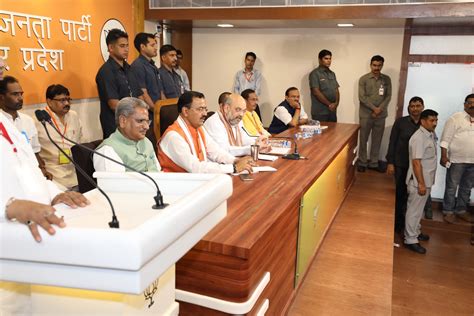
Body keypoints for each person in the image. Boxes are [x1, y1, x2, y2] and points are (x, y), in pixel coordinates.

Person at [0, 110, 89, 315]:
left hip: (33, 246)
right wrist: (9, 206)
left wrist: (55, 193)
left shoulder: (5, 121)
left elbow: (29, 170)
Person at [158, 91, 253, 174]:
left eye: (205, 109)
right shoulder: (174, 137)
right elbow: (196, 168)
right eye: (200, 109)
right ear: (185, 111)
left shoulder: (199, 128)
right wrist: (234, 168)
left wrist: (236, 161)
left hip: (196, 182)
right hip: (177, 187)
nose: (205, 114)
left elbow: (216, 152)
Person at [386, 97, 424, 235]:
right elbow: (392, 142)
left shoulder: (425, 123)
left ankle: (412, 227)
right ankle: (397, 225)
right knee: (400, 195)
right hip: (401, 164)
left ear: (422, 107)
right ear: (409, 108)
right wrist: (390, 162)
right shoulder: (401, 122)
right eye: (412, 106)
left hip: (418, 166)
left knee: (414, 198)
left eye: (418, 106)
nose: (415, 108)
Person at [0, 76, 51, 180]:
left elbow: (34, 151)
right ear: (2, 97)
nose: (20, 98)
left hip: (30, 175)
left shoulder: (27, 120)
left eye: (21, 94)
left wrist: (42, 169)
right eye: (15, 94)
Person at [96, 28, 143, 139]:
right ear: (111, 48)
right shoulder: (106, 71)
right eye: (122, 46)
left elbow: (139, 95)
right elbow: (114, 104)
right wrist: (136, 115)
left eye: (127, 46)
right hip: (116, 127)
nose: (126, 49)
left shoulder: (130, 69)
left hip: (134, 124)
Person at [35, 84, 83, 190]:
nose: (66, 103)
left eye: (68, 99)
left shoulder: (73, 115)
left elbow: (79, 139)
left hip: (75, 172)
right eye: (62, 100)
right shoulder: (39, 120)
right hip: (53, 174)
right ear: (49, 101)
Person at [94, 97, 160, 172]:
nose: (147, 127)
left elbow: (159, 171)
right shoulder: (107, 151)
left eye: (147, 121)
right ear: (123, 121)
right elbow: (114, 183)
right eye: (140, 121)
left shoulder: (146, 141)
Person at [404, 109, 438, 254]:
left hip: (426, 180)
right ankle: (410, 239)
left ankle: (416, 232)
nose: (435, 123)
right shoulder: (419, 137)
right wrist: (421, 184)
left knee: (418, 211)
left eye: (436, 120)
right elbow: (416, 162)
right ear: (423, 121)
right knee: (414, 211)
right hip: (419, 181)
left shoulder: (430, 134)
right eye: (432, 120)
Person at [440, 93, 474, 224]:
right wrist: (444, 156)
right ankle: (448, 211)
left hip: (473, 162)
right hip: (456, 161)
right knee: (451, 187)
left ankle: (461, 210)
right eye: (469, 102)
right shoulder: (455, 118)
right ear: (465, 104)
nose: (472, 105)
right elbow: (445, 139)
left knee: (467, 187)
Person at [204, 93, 270, 156]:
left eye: (244, 111)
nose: (241, 114)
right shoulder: (214, 122)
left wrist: (258, 141)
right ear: (226, 108)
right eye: (238, 110)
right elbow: (224, 150)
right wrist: (252, 148)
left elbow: (244, 139)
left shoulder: (236, 120)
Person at [358, 55, 392, 173]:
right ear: (370, 65)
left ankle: (373, 163)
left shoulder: (387, 79)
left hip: (381, 115)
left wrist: (379, 109)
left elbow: (388, 96)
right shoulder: (364, 79)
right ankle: (362, 162)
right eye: (374, 65)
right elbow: (362, 97)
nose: (376, 68)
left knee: (377, 140)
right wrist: (373, 109)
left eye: (379, 65)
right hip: (366, 115)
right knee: (363, 139)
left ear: (382, 65)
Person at [130, 32, 162, 148]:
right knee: (149, 145)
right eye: (152, 45)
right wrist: (157, 109)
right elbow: (143, 93)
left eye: (156, 45)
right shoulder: (138, 66)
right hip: (149, 113)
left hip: (157, 112)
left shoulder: (152, 65)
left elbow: (159, 90)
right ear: (142, 47)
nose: (156, 48)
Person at [309, 49, 340, 122]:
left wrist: (336, 103)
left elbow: (336, 90)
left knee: (333, 132)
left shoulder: (332, 73)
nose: (329, 61)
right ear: (320, 60)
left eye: (330, 59)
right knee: (321, 133)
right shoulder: (315, 74)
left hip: (332, 111)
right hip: (320, 112)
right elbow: (316, 92)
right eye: (326, 58)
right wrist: (329, 104)